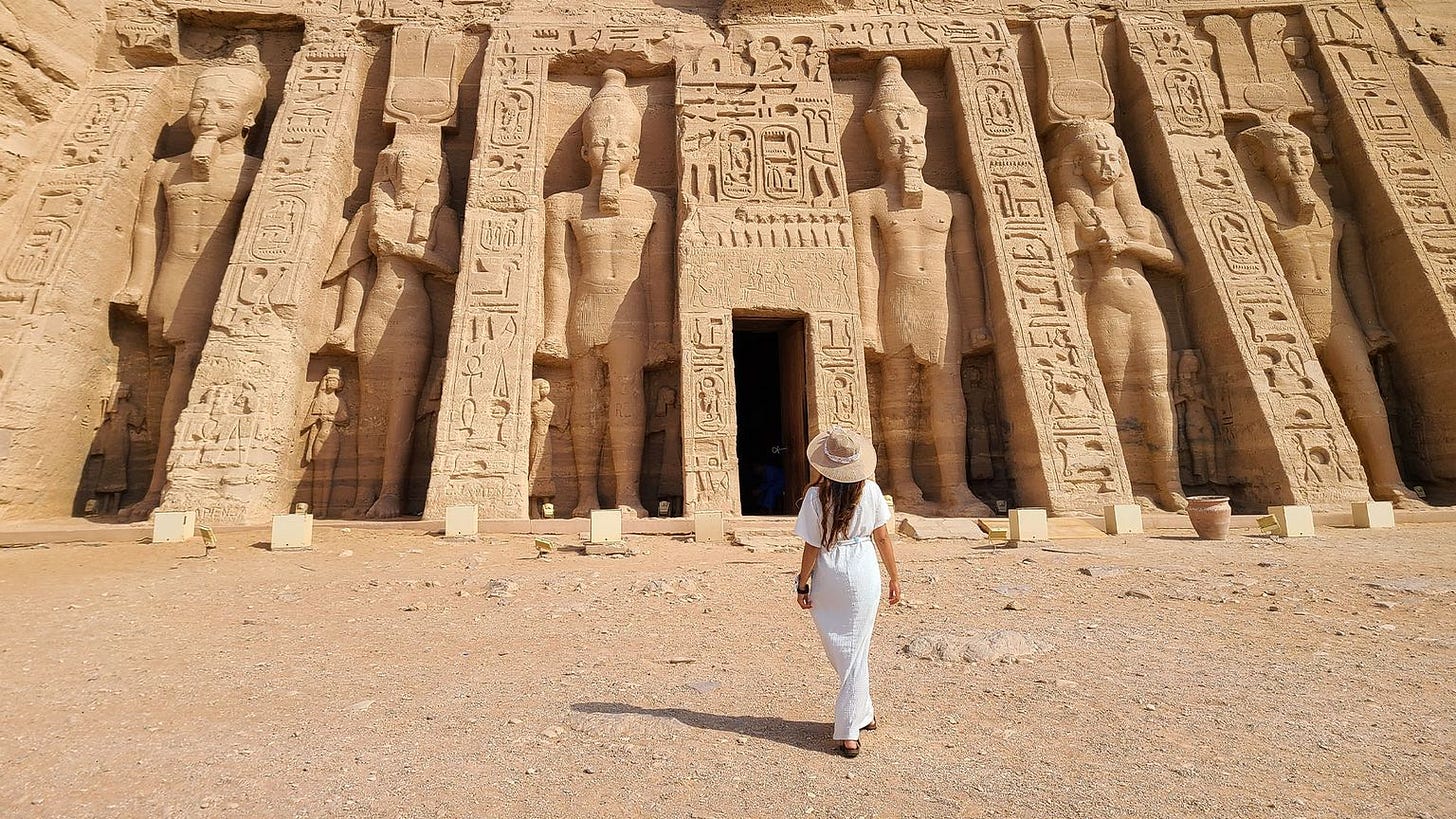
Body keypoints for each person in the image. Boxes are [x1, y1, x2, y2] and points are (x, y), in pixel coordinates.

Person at [793, 426, 902, 758]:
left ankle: (848, 730)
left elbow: (812, 546)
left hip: (831, 573)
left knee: (847, 650)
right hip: (863, 570)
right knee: (854, 650)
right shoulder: (870, 492)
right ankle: (862, 712)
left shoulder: (814, 496)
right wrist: (894, 576)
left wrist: (802, 582)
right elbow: (882, 538)